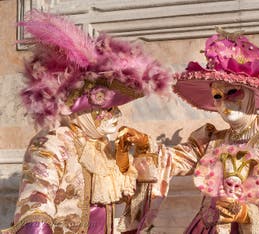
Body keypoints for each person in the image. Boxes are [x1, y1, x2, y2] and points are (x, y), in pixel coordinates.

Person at [119, 29, 259, 233]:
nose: (224, 102)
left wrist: (247, 214)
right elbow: (172, 160)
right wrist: (144, 144)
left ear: (250, 94)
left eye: (233, 92)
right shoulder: (212, 140)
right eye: (217, 96)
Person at [1, 10, 171, 234]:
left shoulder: (101, 147)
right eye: (107, 109)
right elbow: (36, 206)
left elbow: (126, 202)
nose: (116, 116)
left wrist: (144, 163)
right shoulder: (52, 144)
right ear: (83, 108)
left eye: (116, 109)